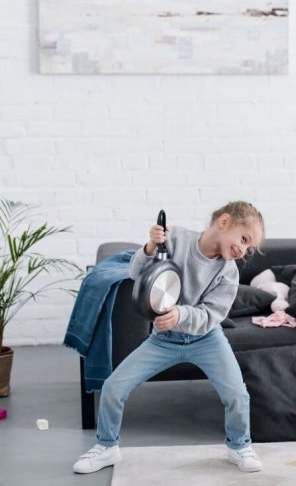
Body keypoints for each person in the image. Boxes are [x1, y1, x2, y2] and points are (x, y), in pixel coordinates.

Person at [73, 201, 266, 473]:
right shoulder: (175, 239)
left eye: (249, 248)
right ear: (224, 222)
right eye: (244, 239)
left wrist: (181, 314)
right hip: (164, 340)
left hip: (207, 339)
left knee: (237, 394)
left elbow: (212, 314)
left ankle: (239, 446)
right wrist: (150, 248)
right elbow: (136, 273)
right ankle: (106, 447)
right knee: (113, 386)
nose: (243, 250)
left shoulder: (228, 272)